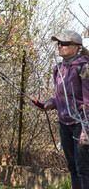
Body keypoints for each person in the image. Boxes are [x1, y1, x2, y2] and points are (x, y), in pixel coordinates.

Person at [43, 31, 89, 189]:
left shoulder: (84, 68)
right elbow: (59, 96)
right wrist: (50, 103)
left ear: (76, 47)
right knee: (73, 168)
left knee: (84, 169)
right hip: (64, 124)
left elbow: (88, 101)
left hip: (81, 124)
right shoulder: (57, 69)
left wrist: (86, 129)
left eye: (64, 43)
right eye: (58, 43)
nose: (60, 46)